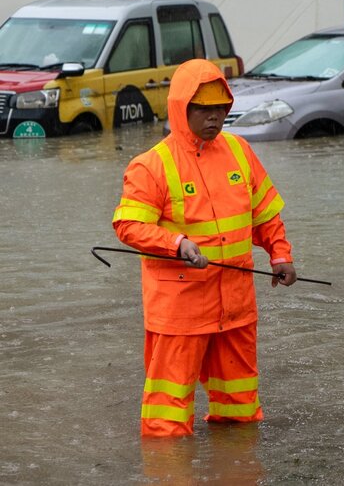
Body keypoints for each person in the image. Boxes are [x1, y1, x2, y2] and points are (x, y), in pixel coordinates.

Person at [112, 58, 296, 437]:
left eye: (221, 109)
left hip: (236, 305)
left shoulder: (239, 151)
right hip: (181, 309)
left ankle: (236, 463)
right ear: (182, 108)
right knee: (167, 420)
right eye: (203, 109)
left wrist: (280, 254)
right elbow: (128, 226)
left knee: (240, 410)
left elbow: (264, 213)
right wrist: (176, 244)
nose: (214, 118)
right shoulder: (152, 165)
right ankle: (168, 466)